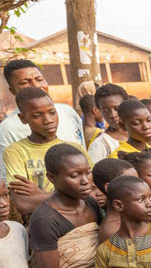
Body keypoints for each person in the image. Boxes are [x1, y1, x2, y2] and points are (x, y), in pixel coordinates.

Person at [27, 145, 103, 268]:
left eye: (87, 172)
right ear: (52, 177)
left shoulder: (90, 203)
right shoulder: (45, 220)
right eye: (74, 175)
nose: (85, 181)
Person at [4, 87, 90, 216]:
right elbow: (24, 204)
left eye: (52, 112)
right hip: (43, 222)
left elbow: (93, 195)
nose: (48, 120)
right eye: (37, 115)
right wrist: (73, 196)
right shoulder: (16, 152)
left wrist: (40, 194)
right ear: (23, 118)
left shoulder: (74, 149)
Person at [0, 60, 84, 163]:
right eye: (25, 82)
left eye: (39, 79)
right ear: (12, 90)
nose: (36, 85)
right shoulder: (8, 128)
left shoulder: (68, 112)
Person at [112, 99, 151, 201]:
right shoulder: (119, 158)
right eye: (137, 123)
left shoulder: (150, 150)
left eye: (149, 120)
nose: (146, 127)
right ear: (122, 125)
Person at [87, 84, 129, 164]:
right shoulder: (100, 145)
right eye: (105, 110)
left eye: (116, 108)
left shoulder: (140, 133)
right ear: (99, 110)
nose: (112, 114)